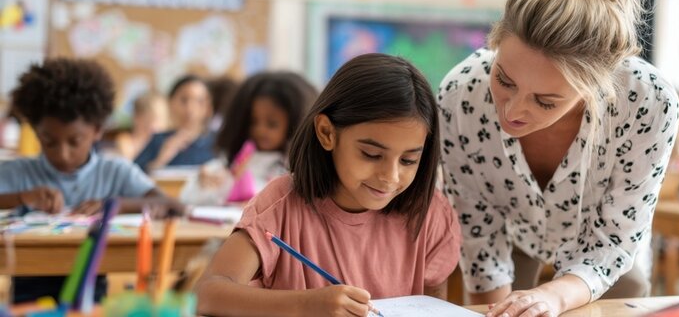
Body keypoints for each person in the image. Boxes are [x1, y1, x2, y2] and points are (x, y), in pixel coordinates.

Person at [438, 0, 679, 315]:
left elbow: (615, 238)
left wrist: (554, 296)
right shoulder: (460, 94)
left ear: (595, 88)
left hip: (609, 253)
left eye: (545, 101)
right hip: (515, 234)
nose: (512, 111)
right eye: (504, 81)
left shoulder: (648, 101)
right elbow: (478, 230)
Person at [196, 54, 461, 317]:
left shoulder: (430, 213)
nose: (390, 176)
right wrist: (307, 305)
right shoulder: (280, 205)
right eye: (371, 154)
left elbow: (433, 309)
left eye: (408, 160)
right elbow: (208, 294)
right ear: (326, 133)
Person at [0, 58, 184, 302]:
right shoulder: (19, 172)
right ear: (35, 131)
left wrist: (116, 205)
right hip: (28, 290)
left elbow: (174, 206)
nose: (62, 154)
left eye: (74, 142)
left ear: (97, 130)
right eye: (49, 141)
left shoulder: (113, 171)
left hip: (92, 292)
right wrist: (22, 197)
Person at [180, 71, 318, 205]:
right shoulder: (236, 159)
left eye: (272, 124)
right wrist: (205, 181)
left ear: (295, 125)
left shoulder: (295, 171)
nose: (260, 130)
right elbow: (187, 196)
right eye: (253, 122)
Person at [135, 75, 215, 171]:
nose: (190, 108)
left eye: (200, 101)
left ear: (209, 108)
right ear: (170, 103)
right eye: (184, 100)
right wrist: (159, 161)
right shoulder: (158, 141)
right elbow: (132, 176)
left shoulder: (216, 144)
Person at [114, 92, 168, 160]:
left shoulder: (164, 143)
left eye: (161, 120)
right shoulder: (126, 142)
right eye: (149, 119)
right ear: (136, 118)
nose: (155, 125)